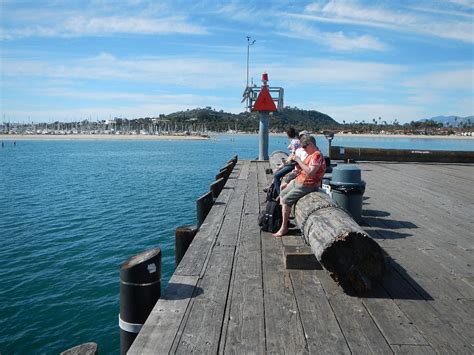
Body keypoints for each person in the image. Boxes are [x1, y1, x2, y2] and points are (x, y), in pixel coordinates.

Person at [272, 135, 326, 237]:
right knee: (282, 192)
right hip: (300, 181)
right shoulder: (311, 154)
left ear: (310, 144)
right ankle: (283, 219)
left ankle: (284, 228)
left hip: (307, 185)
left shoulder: (317, 155)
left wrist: (298, 160)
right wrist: (296, 164)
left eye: (304, 147)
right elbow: (304, 169)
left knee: (286, 200)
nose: (304, 150)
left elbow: (311, 172)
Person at [265, 127, 301, 195]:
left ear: (288, 134)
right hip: (295, 162)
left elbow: (293, 155)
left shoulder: (294, 142)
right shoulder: (298, 140)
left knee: (276, 175)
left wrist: (285, 163)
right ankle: (271, 187)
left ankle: (279, 195)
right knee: (277, 170)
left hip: (294, 164)